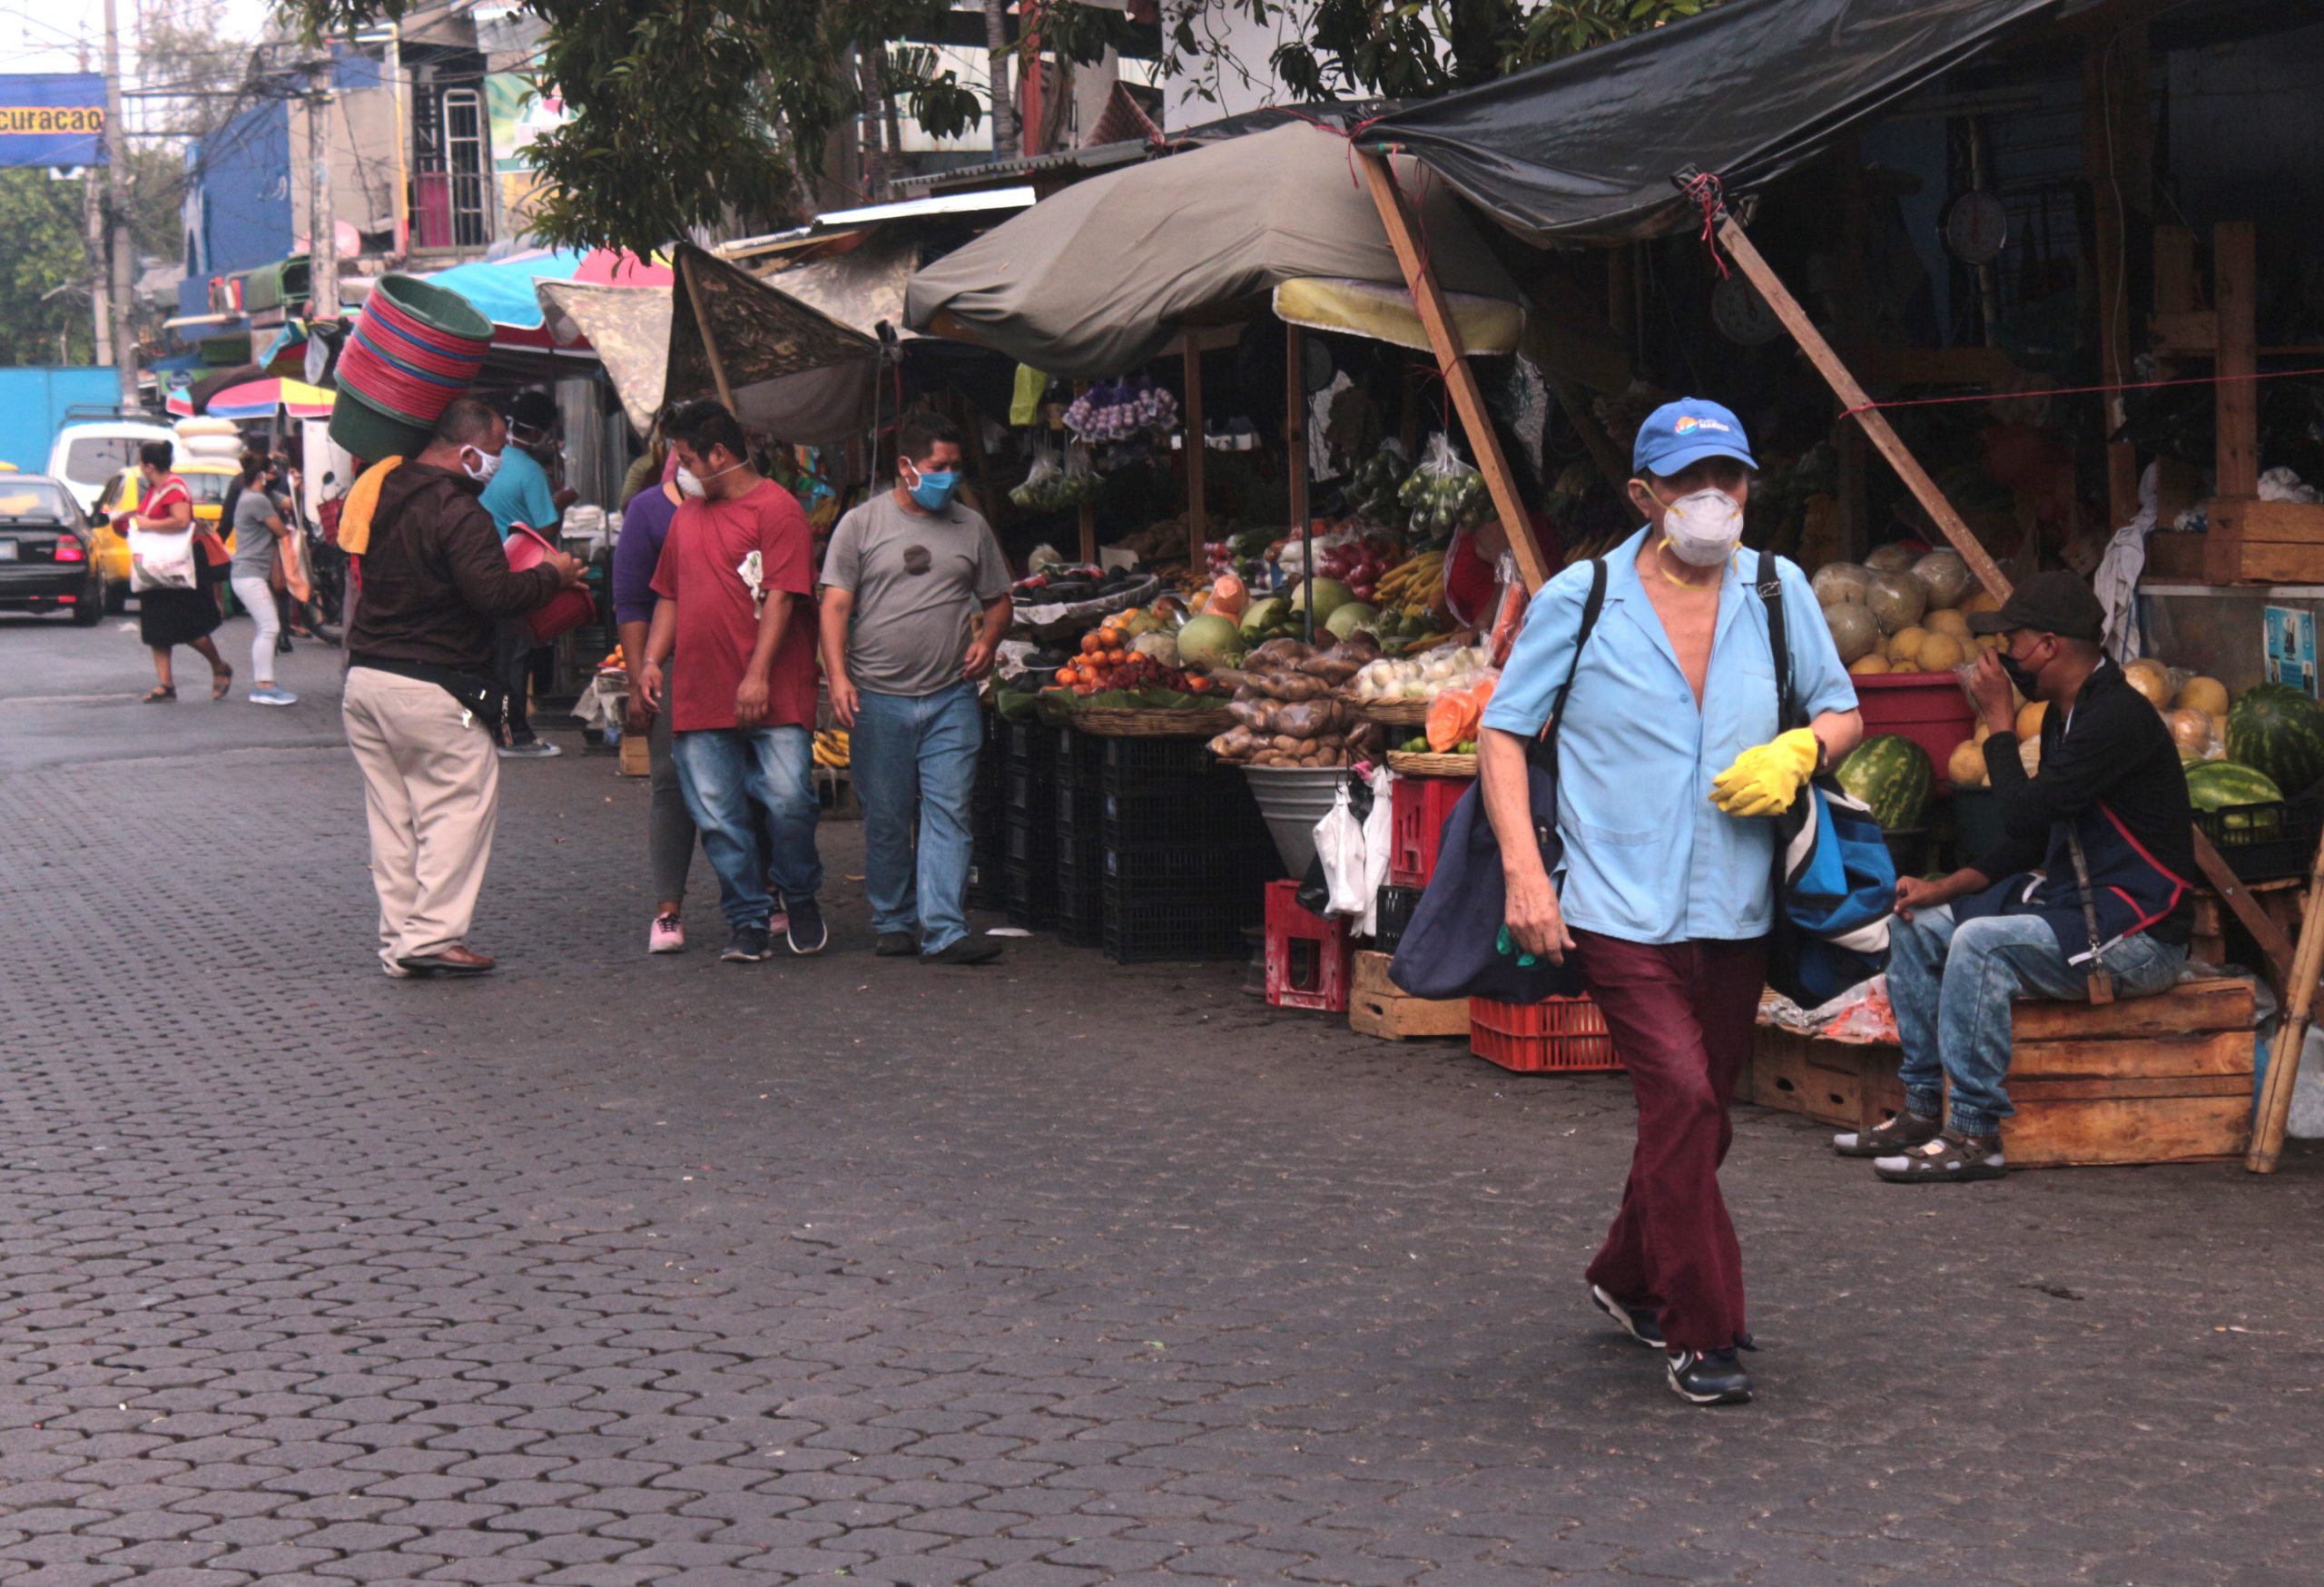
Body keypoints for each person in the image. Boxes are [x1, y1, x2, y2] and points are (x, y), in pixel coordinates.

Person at [1478, 399, 1863, 1407]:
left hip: (1737, 904)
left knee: (1702, 1117)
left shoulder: (1777, 589)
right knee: (1685, 1098)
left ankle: (1623, 1272)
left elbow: (1842, 710)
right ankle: (1703, 1327)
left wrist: (1801, 748)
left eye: (1728, 478)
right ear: (1644, 495)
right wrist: (1525, 872)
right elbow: (1504, 731)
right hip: (1615, 903)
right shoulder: (1586, 597)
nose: (1712, 498)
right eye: (1690, 482)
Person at [1838, 572, 2194, 1182]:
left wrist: (1999, 722)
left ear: (2049, 646)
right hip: (2079, 907)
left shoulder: (2115, 718)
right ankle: (1923, 1109)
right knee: (1916, 926)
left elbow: (2022, 813)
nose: (2002, 657)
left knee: (1982, 944)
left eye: (2012, 642)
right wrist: (1943, 888)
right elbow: (2032, 838)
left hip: (2142, 936)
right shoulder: (2065, 715)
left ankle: (1974, 1133)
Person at [342, 398, 586, 979]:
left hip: (366, 678)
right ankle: (432, 936)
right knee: (460, 801)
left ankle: (400, 941)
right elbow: (494, 593)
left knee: (393, 818)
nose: (498, 463)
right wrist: (552, 575)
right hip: (430, 683)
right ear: (468, 452)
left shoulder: (383, 490)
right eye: (495, 452)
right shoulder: (458, 510)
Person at [637, 399, 825, 964]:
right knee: (718, 817)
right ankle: (747, 920)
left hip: (774, 691)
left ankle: (798, 893)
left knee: (790, 801)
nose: (681, 471)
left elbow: (782, 598)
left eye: (688, 459)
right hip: (700, 692)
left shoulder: (778, 510)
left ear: (719, 454)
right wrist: (652, 660)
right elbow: (669, 595)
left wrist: (757, 676)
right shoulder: (687, 518)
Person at [820, 415, 1012, 965]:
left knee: (950, 810)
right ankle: (893, 918)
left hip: (951, 696)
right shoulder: (860, 525)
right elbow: (834, 606)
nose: (949, 477)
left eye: (955, 466)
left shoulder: (971, 527)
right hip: (878, 699)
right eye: (938, 467)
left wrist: (989, 641)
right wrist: (837, 677)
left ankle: (944, 928)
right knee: (886, 817)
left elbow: (999, 600)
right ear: (905, 467)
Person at [613, 454, 701, 953]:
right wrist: (638, 677)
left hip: (737, 666)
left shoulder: (752, 506)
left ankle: (765, 897)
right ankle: (668, 911)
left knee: (753, 785)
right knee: (671, 783)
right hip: (669, 666)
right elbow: (633, 601)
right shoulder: (648, 512)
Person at [479, 389, 576, 759]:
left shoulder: (491, 461)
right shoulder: (531, 472)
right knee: (515, 658)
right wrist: (560, 501)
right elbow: (545, 528)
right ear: (538, 432)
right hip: (516, 573)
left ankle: (491, 729)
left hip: (481, 569)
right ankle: (514, 734)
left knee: (493, 656)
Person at [122, 439, 233, 704]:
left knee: (191, 627)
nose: (140, 467)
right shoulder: (153, 490)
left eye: (141, 463)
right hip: (156, 567)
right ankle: (166, 684)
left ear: (149, 466)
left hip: (181, 566)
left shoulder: (175, 488)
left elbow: (181, 521)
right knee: (155, 628)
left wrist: (147, 524)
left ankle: (219, 666)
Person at [228, 451, 299, 706]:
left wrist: (295, 485)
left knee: (266, 628)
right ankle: (264, 687)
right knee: (269, 628)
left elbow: (289, 503)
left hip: (250, 574)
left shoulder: (261, 495)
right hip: (249, 575)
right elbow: (280, 530)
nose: (275, 475)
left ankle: (265, 684)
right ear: (261, 475)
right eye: (271, 472)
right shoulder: (256, 500)